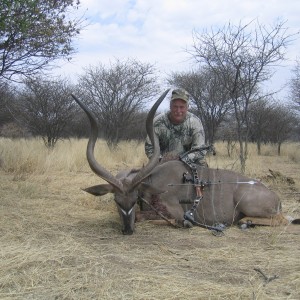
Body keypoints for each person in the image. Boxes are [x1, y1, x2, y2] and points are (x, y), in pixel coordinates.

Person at [145, 88, 206, 165]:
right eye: (175, 106)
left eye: (182, 107)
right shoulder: (158, 122)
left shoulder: (195, 122)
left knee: (202, 166)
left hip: (188, 164)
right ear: (170, 106)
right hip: (162, 163)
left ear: (187, 107)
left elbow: (199, 150)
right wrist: (161, 160)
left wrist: (181, 160)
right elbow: (149, 148)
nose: (178, 111)